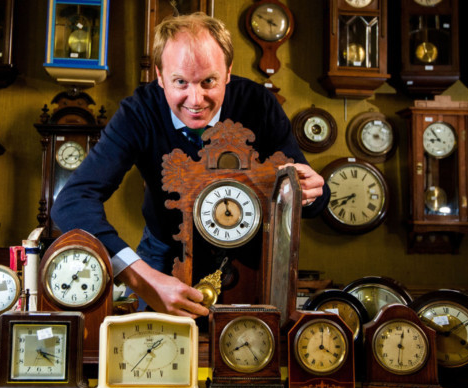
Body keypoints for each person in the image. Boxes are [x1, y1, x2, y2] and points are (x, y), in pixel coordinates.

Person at [51, 12, 330, 319]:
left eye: (208, 81)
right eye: (180, 82)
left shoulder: (259, 104)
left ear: (227, 73)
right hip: (163, 255)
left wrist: (314, 191)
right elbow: (71, 202)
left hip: (251, 259)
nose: (195, 100)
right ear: (159, 76)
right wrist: (141, 278)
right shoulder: (138, 113)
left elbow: (313, 202)